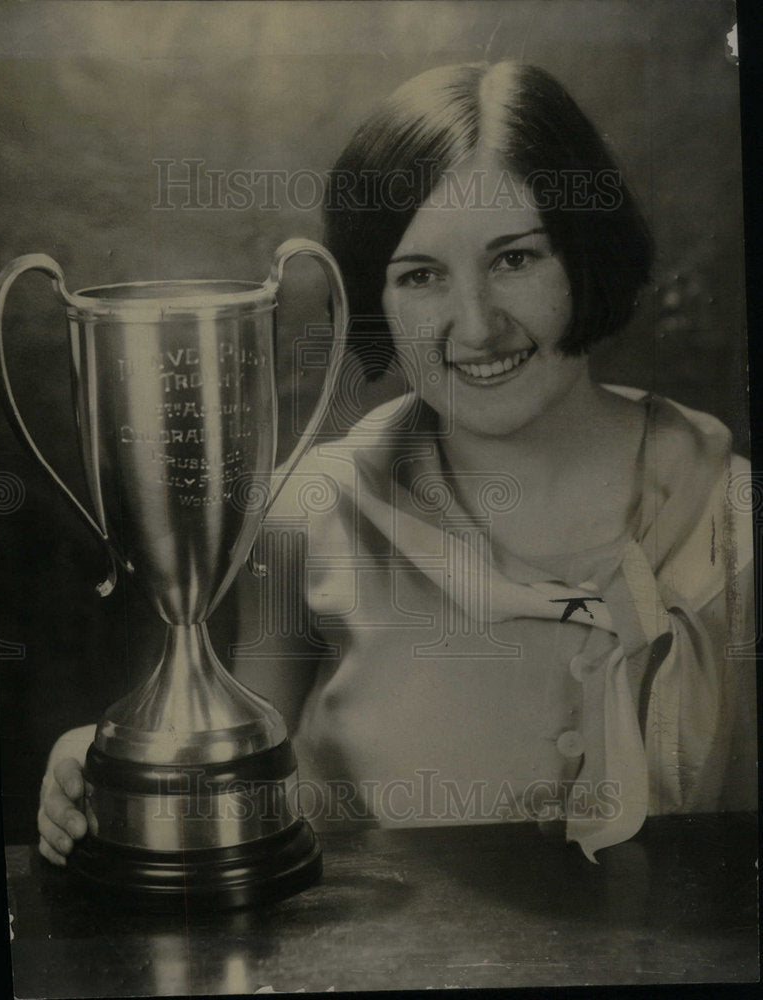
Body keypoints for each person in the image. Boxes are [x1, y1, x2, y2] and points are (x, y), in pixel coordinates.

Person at [38, 61, 756, 868]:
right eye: (420, 276)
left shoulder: (735, 519)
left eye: (515, 259)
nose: (475, 327)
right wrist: (115, 767)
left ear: (586, 252)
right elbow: (238, 803)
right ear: (372, 301)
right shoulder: (305, 519)